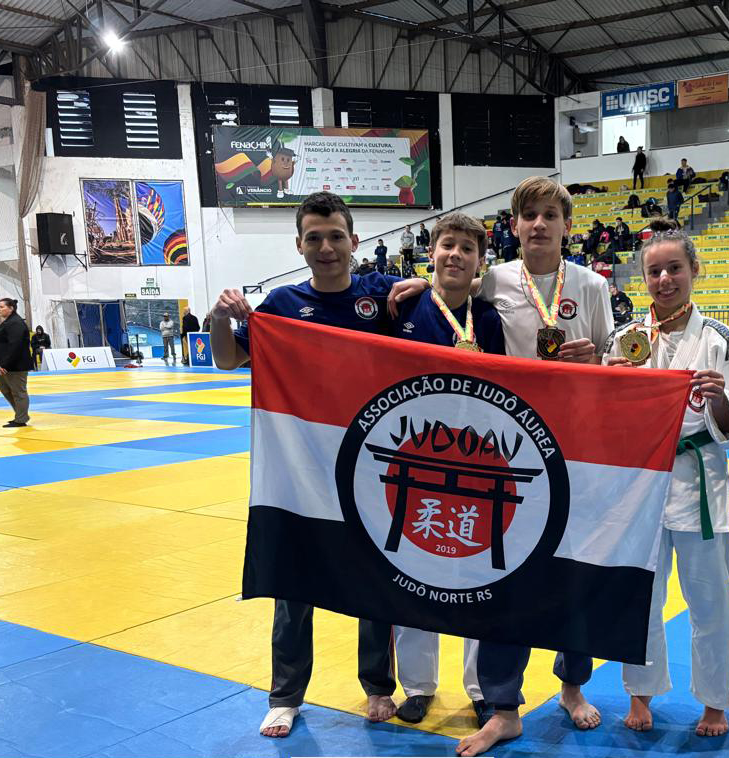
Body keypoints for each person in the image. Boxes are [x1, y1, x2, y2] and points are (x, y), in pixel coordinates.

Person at [207, 191, 424, 739]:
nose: (326, 247)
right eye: (314, 238)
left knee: (376, 580)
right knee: (294, 583)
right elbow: (228, 359)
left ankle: (378, 685)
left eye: (335, 237)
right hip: (300, 463)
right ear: (299, 245)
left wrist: (422, 285)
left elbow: (447, 308)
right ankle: (285, 695)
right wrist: (219, 317)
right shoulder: (280, 305)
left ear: (354, 241)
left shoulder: (382, 294)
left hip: (370, 460)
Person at [456, 176, 614, 757]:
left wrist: (596, 359)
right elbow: (448, 301)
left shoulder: (592, 285)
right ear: (515, 225)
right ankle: (504, 707)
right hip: (508, 446)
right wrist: (414, 285)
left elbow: (615, 361)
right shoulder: (493, 280)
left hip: (575, 446)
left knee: (574, 572)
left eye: (551, 214)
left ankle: (572, 686)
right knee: (503, 571)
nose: (540, 224)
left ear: (568, 225)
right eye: (530, 215)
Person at [603, 229, 729, 738]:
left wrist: (719, 399)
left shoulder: (721, 340)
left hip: (699, 480)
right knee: (641, 596)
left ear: (694, 271)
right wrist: (611, 386)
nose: (664, 279)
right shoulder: (623, 340)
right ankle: (641, 693)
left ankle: (713, 702)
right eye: (654, 271)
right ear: (643, 278)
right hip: (640, 485)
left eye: (674, 268)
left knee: (710, 601)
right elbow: (605, 423)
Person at [385, 212, 506, 725]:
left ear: (480, 262)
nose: (455, 255)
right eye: (447, 245)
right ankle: (417, 686)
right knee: (416, 571)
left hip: (476, 456)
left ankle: (481, 686)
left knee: (478, 572)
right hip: (413, 452)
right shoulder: (403, 307)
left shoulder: (490, 319)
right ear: (431, 253)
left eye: (466, 249)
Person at [0, 298, 33, 427]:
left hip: (14, 365)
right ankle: (20, 414)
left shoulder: (16, 323)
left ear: (11, 308)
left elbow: (16, 345)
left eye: (2, 307)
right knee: (4, 388)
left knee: (18, 391)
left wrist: (5, 364)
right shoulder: (8, 322)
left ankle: (21, 418)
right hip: (5, 364)